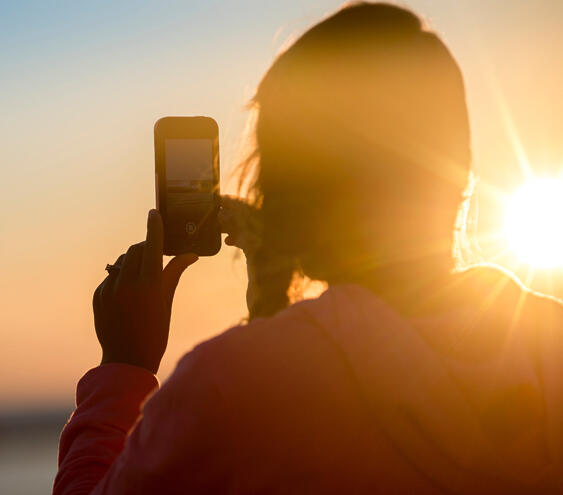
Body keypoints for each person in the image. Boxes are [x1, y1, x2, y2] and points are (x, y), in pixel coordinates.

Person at [53, 3, 563, 494]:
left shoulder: (229, 386)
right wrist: (271, 313)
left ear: (283, 187)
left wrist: (124, 365)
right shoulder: (547, 344)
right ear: (462, 169)